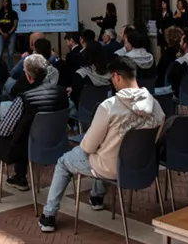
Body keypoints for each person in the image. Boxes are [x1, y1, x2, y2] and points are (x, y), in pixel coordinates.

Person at [38, 56, 164, 233]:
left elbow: (88, 147)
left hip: (110, 167)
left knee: (64, 162)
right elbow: (156, 137)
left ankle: (48, 216)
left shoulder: (109, 106)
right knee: (104, 150)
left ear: (117, 77)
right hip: (142, 164)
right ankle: (96, 197)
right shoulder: (156, 105)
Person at [0, 54, 69, 201]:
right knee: (23, 129)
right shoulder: (61, 93)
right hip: (52, 143)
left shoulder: (24, 98)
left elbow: (4, 131)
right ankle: (19, 177)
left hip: (22, 147)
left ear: (28, 76)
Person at [70, 41, 111, 107]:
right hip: (104, 110)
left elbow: (75, 97)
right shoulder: (110, 74)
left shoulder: (81, 74)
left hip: (84, 111)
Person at [0, 0, 19, 67]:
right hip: (1, 34)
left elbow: (15, 25)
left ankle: (11, 70)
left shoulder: (14, 13)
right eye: (3, 1)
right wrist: (2, 33)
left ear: (9, 3)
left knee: (11, 53)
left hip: (11, 34)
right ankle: (0, 69)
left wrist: (8, 33)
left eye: (6, 1)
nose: (5, 3)